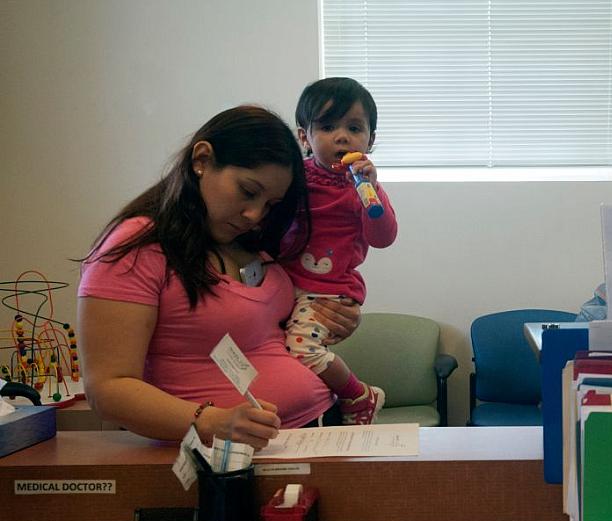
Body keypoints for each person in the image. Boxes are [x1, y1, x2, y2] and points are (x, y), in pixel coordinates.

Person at [78, 105, 361, 450]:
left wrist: (335, 319)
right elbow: (108, 389)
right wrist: (211, 421)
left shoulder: (248, 241)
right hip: (226, 454)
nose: (254, 214)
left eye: (271, 204)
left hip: (317, 425)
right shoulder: (137, 248)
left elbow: (265, 332)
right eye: (247, 191)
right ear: (202, 159)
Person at [285, 77, 398, 425]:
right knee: (286, 354)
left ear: (370, 140)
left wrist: (371, 190)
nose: (342, 137)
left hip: (330, 292)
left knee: (302, 350)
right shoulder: (292, 179)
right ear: (304, 136)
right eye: (328, 127)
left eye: (354, 127)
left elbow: (383, 237)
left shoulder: (361, 188)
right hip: (286, 285)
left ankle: (357, 394)